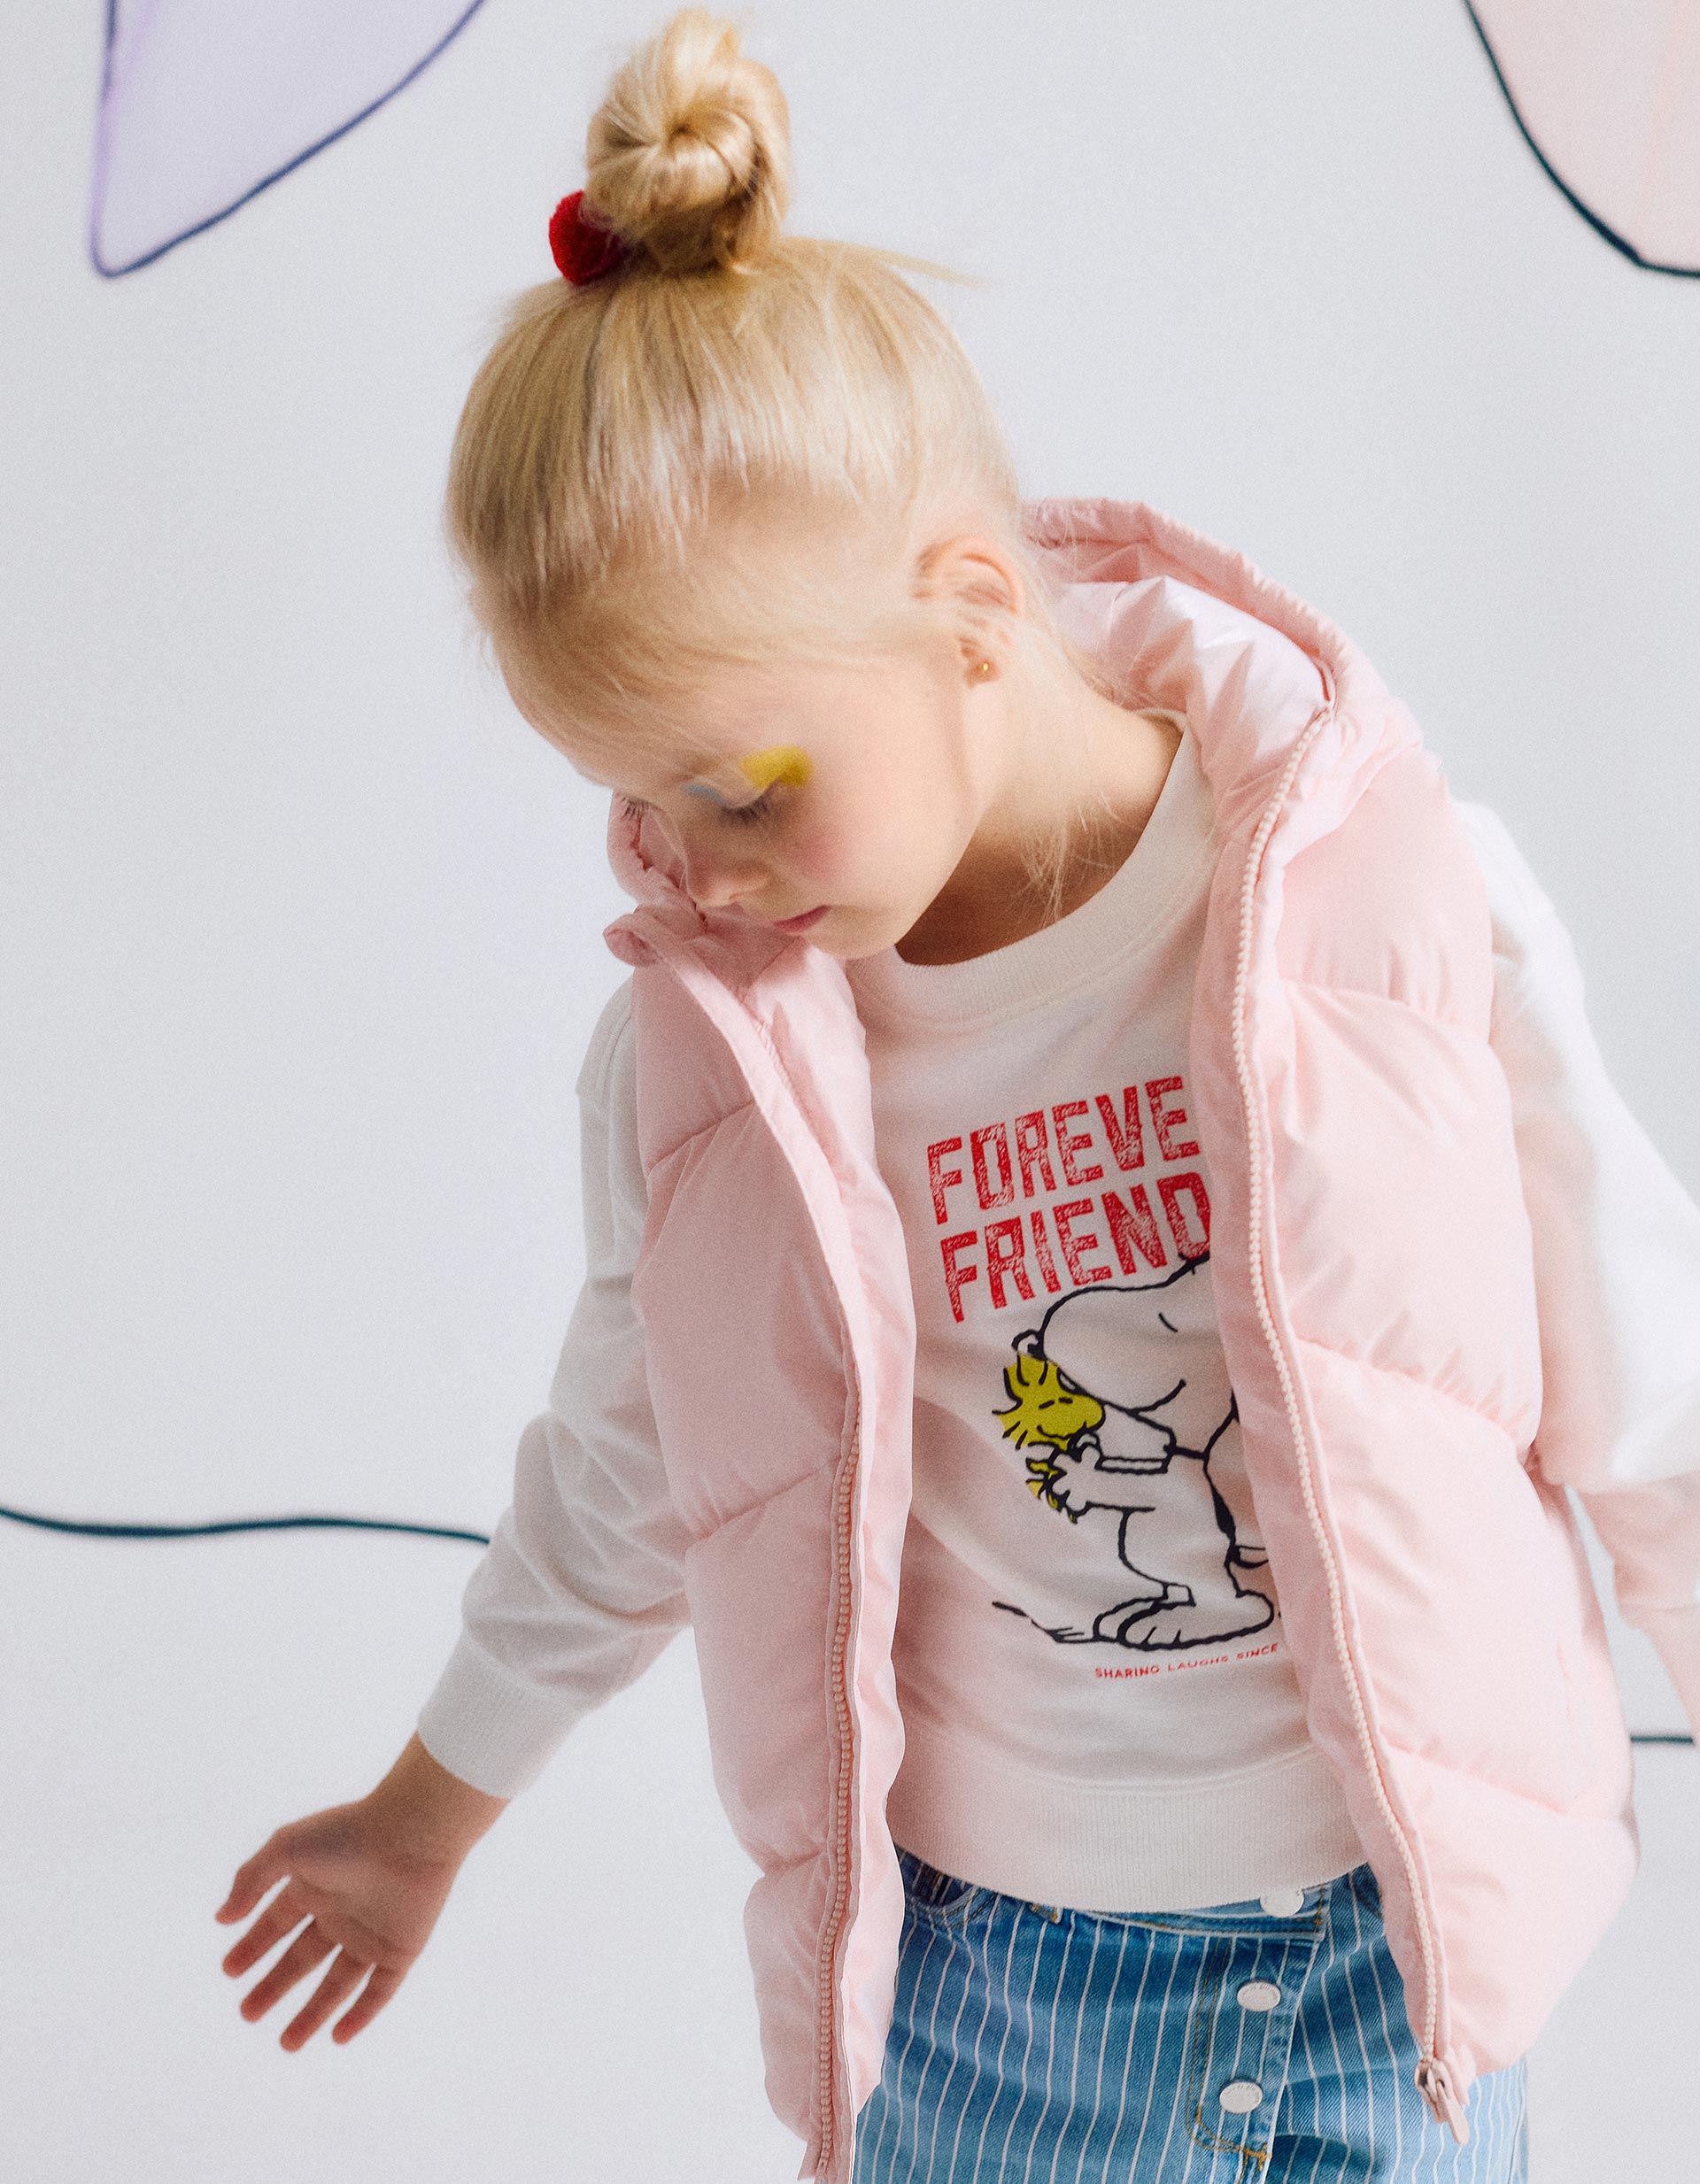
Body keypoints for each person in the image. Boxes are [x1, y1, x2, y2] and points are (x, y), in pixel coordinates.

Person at [213, 9, 1700, 2179]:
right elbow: (639, 1460)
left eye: (740, 785)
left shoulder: (1391, 906)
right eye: (636, 802)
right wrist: (427, 1811)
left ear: (972, 612)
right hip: (976, 2000)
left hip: (1379, 1989)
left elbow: (1649, 1386)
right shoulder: (717, 1060)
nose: (693, 868)